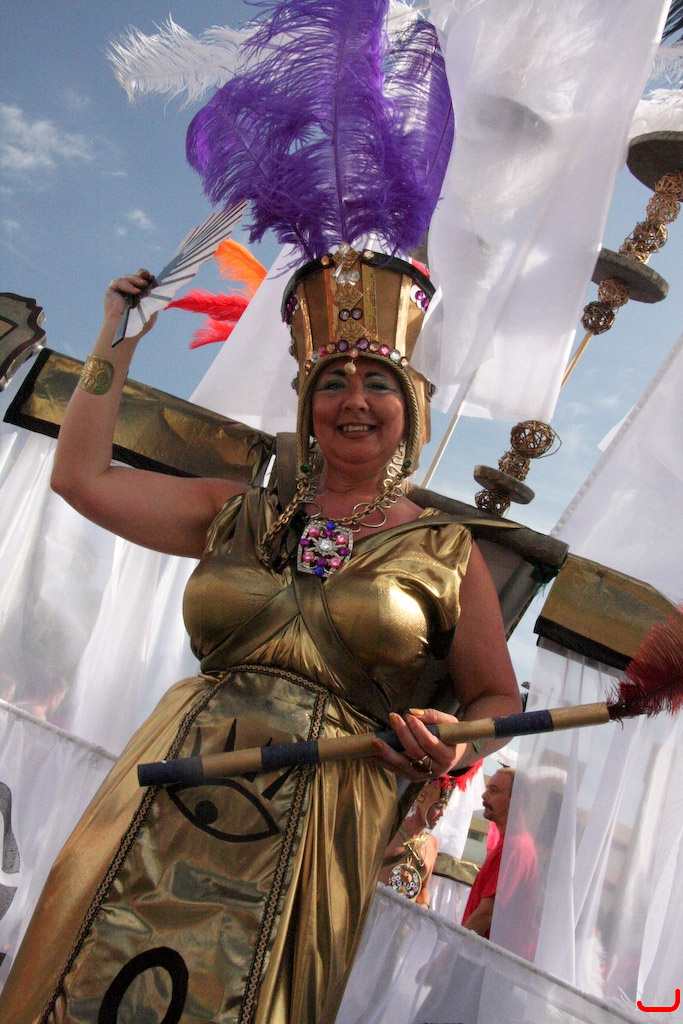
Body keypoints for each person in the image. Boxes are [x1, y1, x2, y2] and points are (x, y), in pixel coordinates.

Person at [0, 246, 521, 1024]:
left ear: (410, 407)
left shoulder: (448, 550)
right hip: (173, 779)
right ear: (306, 404)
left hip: (321, 813)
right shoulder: (237, 511)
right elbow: (82, 479)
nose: (354, 399)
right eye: (332, 382)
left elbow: (497, 698)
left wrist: (453, 743)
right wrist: (118, 337)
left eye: (378, 383)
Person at [462, 767, 538, 959]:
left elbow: (486, 914)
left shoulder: (515, 847)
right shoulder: (511, 843)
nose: (484, 795)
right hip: (480, 957)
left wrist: (447, 956)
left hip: (481, 961)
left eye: (494, 791)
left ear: (518, 800)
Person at [379, 774, 457, 909]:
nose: (442, 814)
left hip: (403, 916)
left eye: (444, 808)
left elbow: (423, 888)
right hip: (375, 906)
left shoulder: (432, 844)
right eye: (437, 807)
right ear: (422, 800)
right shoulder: (390, 829)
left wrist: (424, 905)